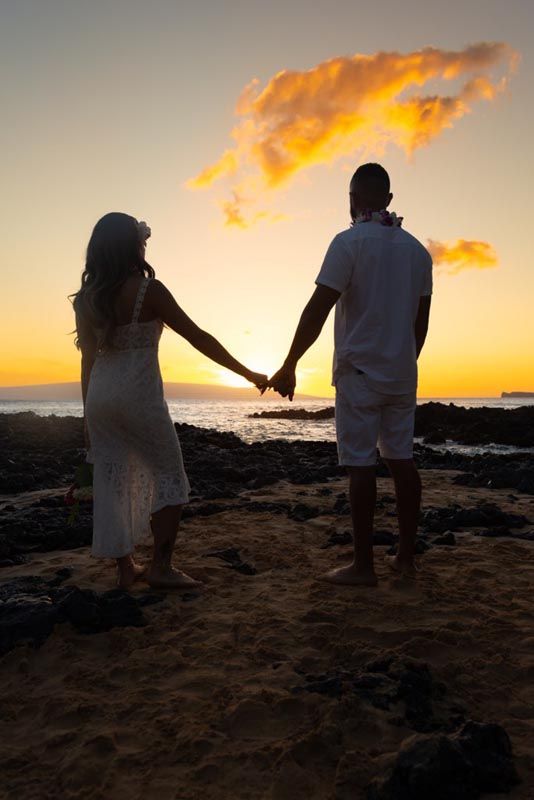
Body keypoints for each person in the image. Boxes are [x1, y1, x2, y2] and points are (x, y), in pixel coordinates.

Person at [72, 212, 267, 590]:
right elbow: (199, 338)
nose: (145, 244)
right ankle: (161, 566)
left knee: (112, 478)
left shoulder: (87, 298)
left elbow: (87, 359)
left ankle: (125, 568)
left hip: (100, 396)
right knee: (169, 473)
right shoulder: (149, 291)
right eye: (141, 238)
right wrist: (248, 373)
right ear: (132, 245)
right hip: (139, 394)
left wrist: (86, 415)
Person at [268, 163, 432, 586]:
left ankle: (363, 566)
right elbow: (421, 323)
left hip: (359, 373)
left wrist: (290, 363)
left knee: (361, 466)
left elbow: (317, 309)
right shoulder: (418, 251)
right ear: (389, 201)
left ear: (352, 199)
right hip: (401, 373)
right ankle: (406, 560)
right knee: (402, 461)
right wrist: (405, 361)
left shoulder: (347, 243)